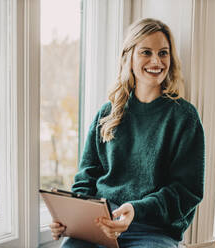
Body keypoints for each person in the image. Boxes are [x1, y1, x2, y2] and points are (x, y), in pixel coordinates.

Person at [50, 18, 205, 248]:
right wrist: (69, 217)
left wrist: (136, 210)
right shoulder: (108, 113)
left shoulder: (184, 117)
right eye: (146, 52)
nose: (156, 61)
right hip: (99, 222)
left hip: (153, 229)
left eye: (163, 53)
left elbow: (187, 191)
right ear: (128, 57)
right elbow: (86, 177)